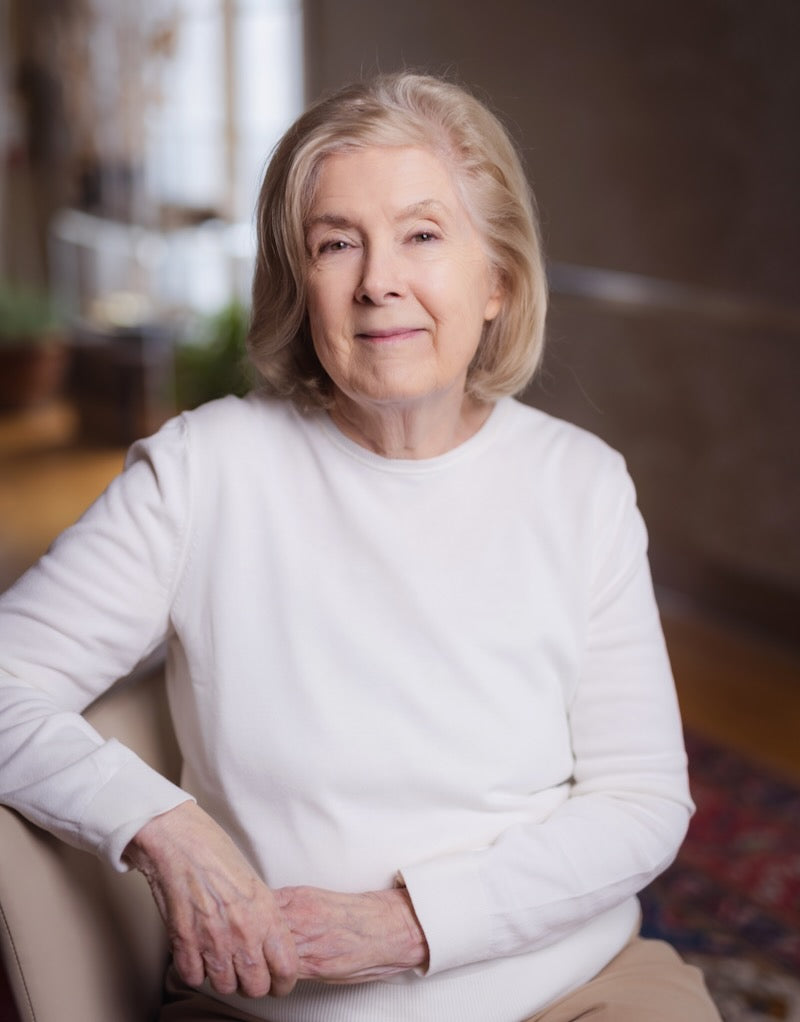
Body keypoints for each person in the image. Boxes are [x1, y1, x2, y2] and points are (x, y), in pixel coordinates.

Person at [0, 72, 720, 1022]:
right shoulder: (204, 470)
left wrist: (408, 925)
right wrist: (164, 827)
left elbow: (641, 802)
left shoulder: (580, 484)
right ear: (303, 284)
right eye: (338, 243)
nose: (379, 279)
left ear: (497, 277)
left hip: (571, 991)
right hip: (279, 1008)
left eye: (422, 235)